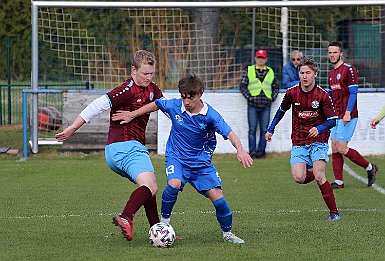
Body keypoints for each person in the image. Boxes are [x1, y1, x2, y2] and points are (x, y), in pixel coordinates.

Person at [112, 73, 253, 244]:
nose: (186, 102)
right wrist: (132, 114)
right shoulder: (175, 106)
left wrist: (240, 150)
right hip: (176, 158)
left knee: (219, 200)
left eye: (190, 98)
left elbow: (230, 134)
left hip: (201, 164)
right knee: (174, 183)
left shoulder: (211, 116)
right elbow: (156, 104)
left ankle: (228, 234)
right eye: (183, 97)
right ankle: (164, 224)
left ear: (200, 94)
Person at [55, 50, 163, 241]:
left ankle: (157, 231)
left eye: (151, 73)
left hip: (118, 151)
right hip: (126, 146)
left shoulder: (153, 89)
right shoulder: (127, 89)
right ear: (133, 70)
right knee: (150, 186)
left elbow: (163, 105)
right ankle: (126, 217)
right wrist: (73, 128)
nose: (148, 77)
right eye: (144, 73)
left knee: (148, 188)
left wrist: (135, 113)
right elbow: (97, 106)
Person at [265, 57, 341, 221]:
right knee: (299, 177)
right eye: (302, 73)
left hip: (319, 140)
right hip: (299, 140)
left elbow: (332, 120)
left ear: (315, 74)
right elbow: (281, 111)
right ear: (298, 74)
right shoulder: (292, 93)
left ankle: (334, 212)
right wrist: (271, 129)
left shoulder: (322, 95)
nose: (304, 76)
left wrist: (318, 128)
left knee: (320, 176)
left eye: (308, 72)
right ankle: (315, 172)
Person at [327, 41, 378, 189]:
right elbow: (333, 94)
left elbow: (353, 93)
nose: (332, 55)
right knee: (335, 146)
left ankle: (370, 168)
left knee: (342, 148)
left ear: (341, 54)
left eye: (335, 52)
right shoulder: (331, 73)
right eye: (330, 52)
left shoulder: (349, 70)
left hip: (347, 115)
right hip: (336, 115)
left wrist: (348, 112)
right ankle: (339, 182)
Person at [239, 49, 279, 159]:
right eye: (259, 57)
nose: (260, 60)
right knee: (252, 129)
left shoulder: (270, 71)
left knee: (264, 130)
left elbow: (276, 86)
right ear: (255, 58)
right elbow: (242, 86)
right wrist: (249, 98)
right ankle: (252, 152)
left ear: (266, 59)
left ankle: (261, 152)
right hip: (253, 104)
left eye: (262, 58)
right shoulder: (249, 70)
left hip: (266, 105)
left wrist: (272, 98)